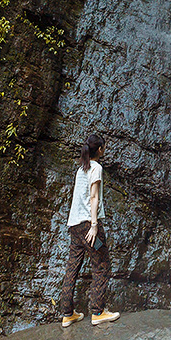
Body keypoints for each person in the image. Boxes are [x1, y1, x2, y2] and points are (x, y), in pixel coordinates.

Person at [58, 133, 119, 328]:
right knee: (102, 264)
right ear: (100, 149)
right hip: (88, 226)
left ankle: (68, 314)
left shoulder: (81, 169)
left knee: (72, 267)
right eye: (104, 147)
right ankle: (98, 312)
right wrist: (94, 225)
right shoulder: (97, 168)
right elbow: (94, 198)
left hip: (75, 226)